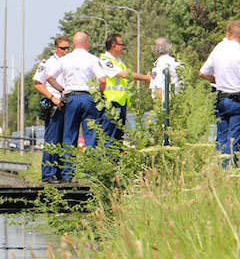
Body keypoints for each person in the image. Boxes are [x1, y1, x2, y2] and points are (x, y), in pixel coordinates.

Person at [198, 21, 240, 166]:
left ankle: (219, 169)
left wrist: (218, 80)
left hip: (220, 99)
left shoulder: (218, 49)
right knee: (233, 139)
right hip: (237, 101)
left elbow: (202, 73)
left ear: (227, 34)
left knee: (221, 138)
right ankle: (228, 170)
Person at [45, 31, 107, 181]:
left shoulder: (66, 59)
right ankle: (92, 174)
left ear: (74, 44)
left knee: (69, 135)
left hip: (71, 99)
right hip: (88, 98)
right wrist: (98, 93)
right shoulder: (92, 59)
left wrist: (61, 90)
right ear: (87, 43)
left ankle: (67, 174)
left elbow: (48, 77)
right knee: (91, 135)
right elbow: (103, 80)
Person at [97, 33, 151, 145]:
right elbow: (124, 74)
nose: (123, 47)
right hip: (110, 103)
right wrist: (145, 78)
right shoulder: (106, 60)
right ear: (114, 45)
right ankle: (109, 160)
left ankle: (116, 161)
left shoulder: (118, 61)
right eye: (121, 44)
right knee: (110, 136)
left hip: (120, 102)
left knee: (119, 137)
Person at [32, 36, 70, 184]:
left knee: (64, 141)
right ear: (55, 48)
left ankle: (61, 173)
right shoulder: (48, 63)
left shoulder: (69, 61)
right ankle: (48, 174)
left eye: (68, 48)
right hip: (54, 103)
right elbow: (37, 83)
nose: (66, 51)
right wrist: (52, 97)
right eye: (63, 48)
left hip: (67, 103)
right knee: (52, 140)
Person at [149, 38, 180, 102]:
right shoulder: (177, 62)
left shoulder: (159, 64)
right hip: (178, 101)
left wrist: (161, 108)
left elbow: (159, 88)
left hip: (166, 104)